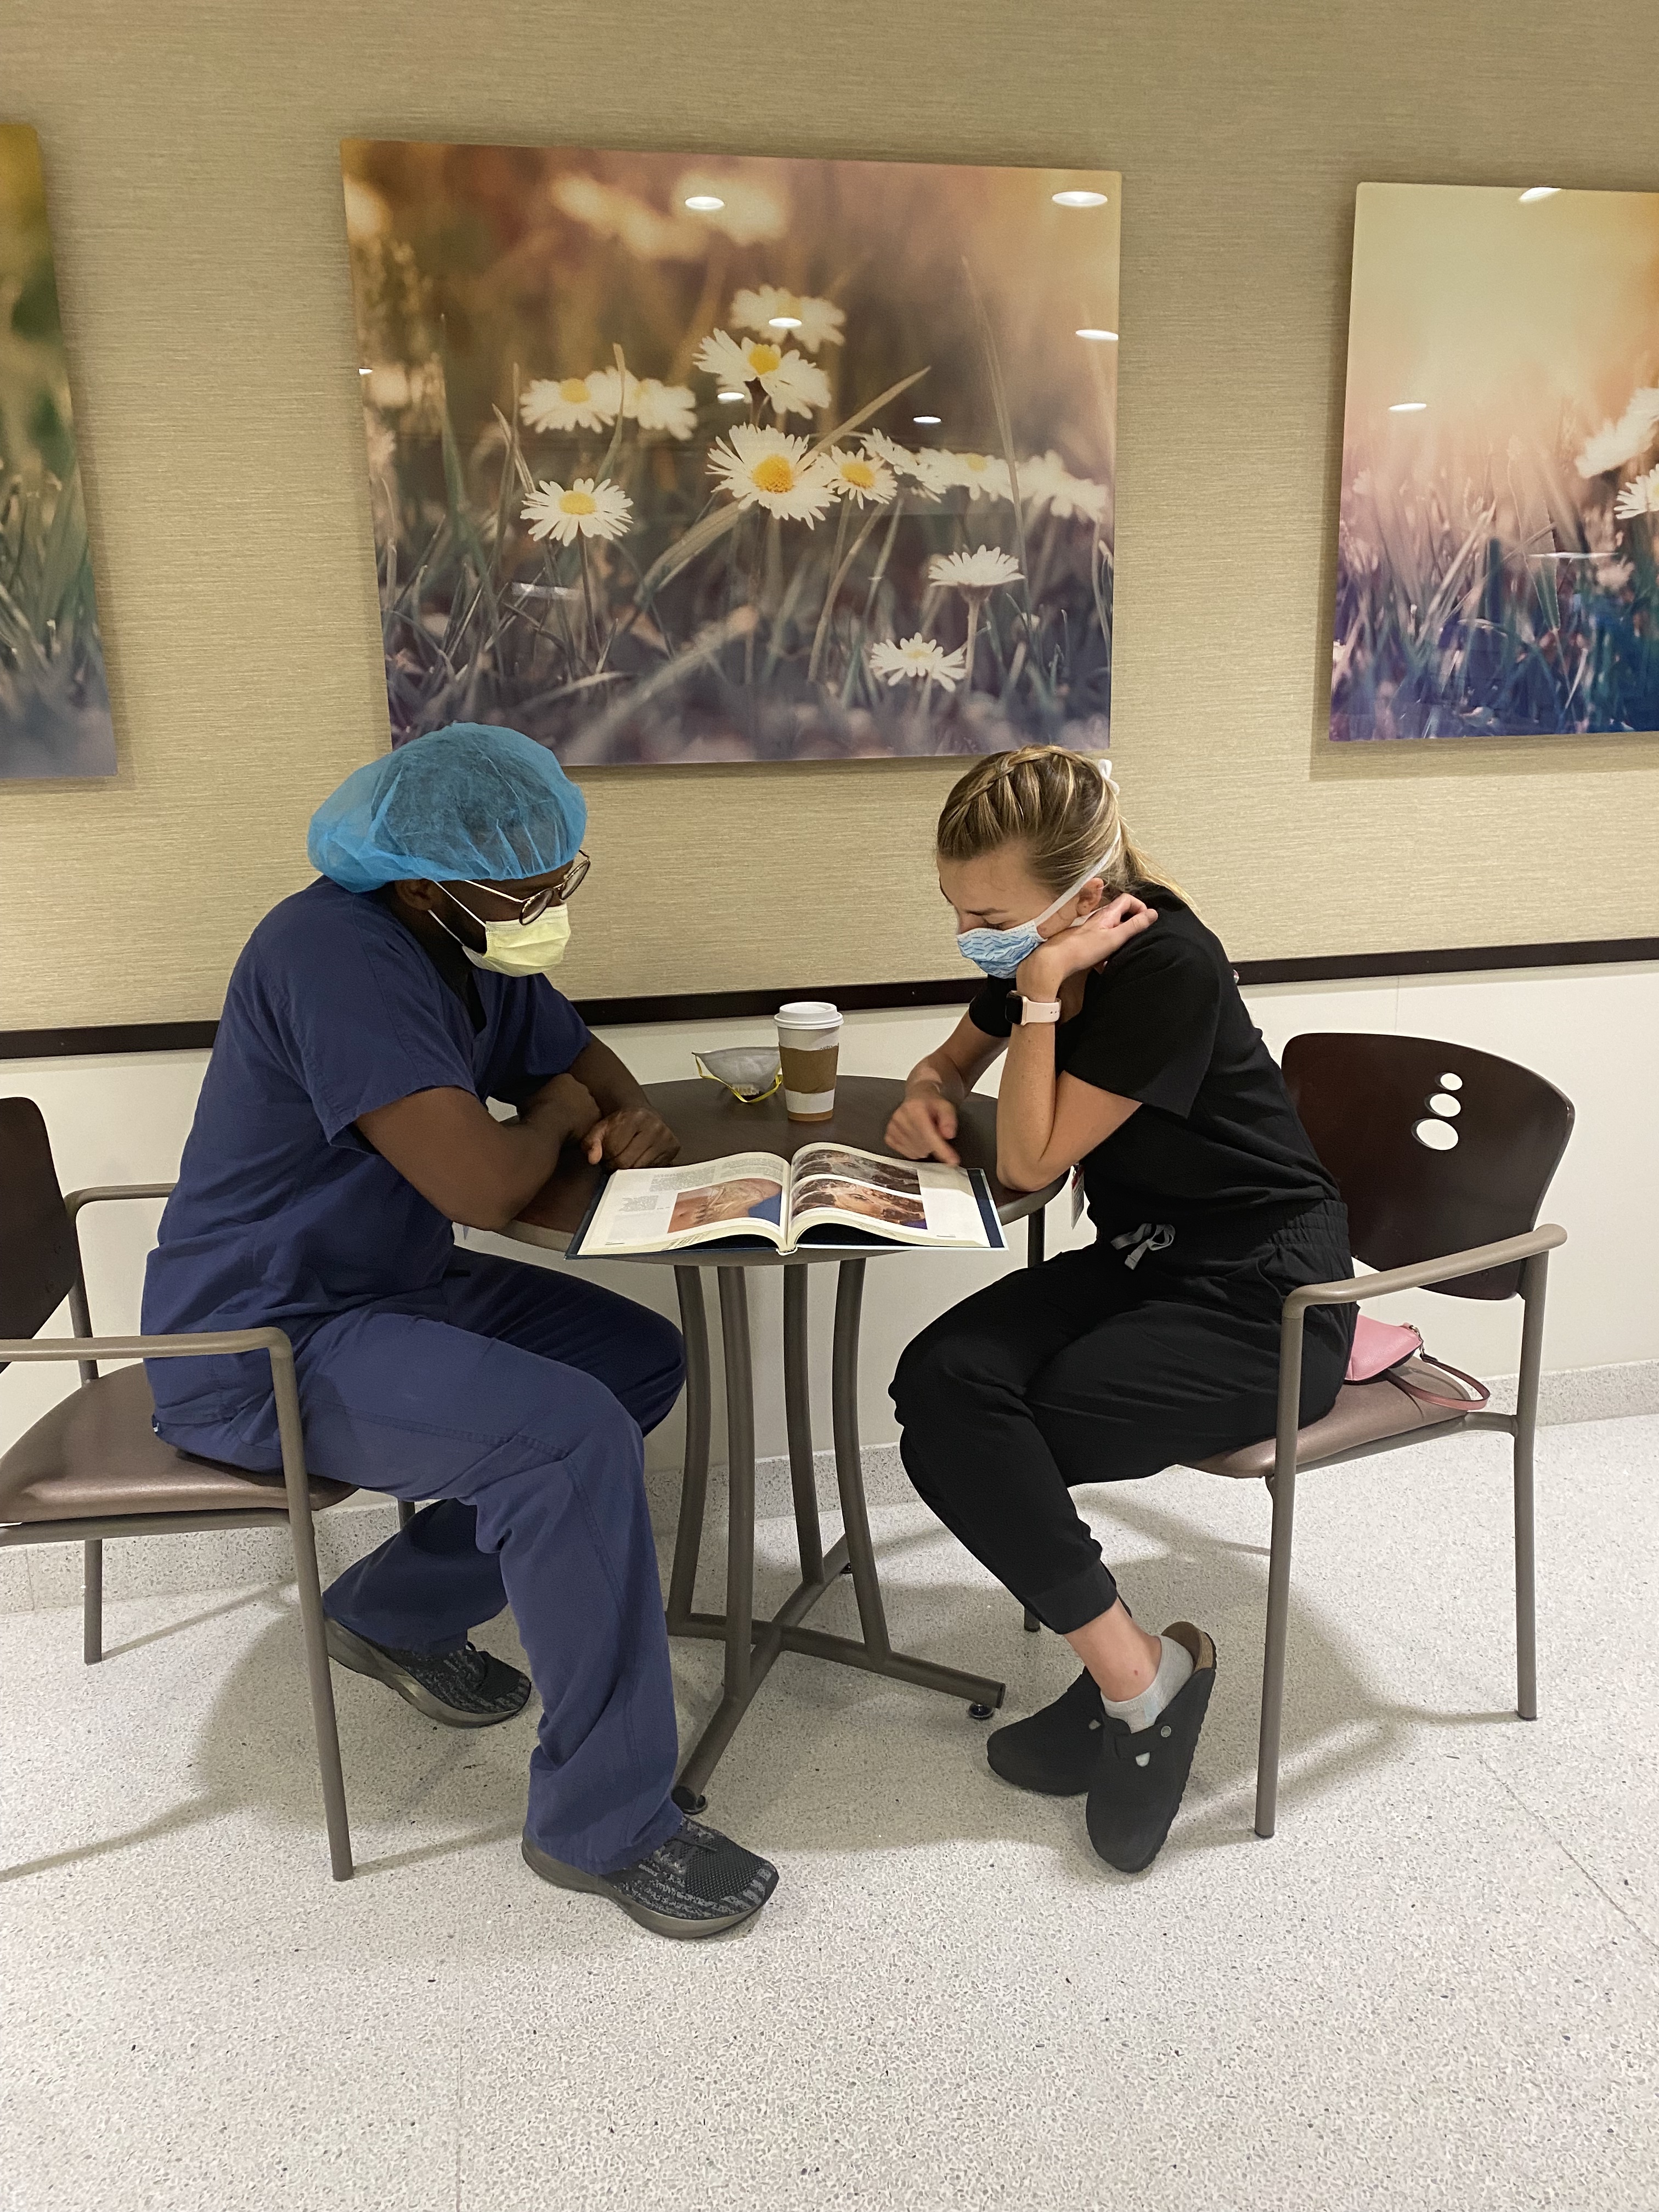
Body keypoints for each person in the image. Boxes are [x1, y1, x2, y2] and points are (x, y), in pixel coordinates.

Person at [141, 723, 777, 1938]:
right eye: (528, 886)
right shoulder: (333, 951)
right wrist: (558, 1110)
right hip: (259, 1340)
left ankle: (389, 1610)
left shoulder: (473, 937)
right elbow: (485, 1188)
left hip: (389, 1289)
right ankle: (606, 1825)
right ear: (428, 878)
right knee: (564, 1439)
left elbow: (596, 1079)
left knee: (636, 1357)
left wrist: (597, 1110)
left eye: (561, 878)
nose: (548, 904)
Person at [885, 744, 1355, 1874]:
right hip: (1150, 1260)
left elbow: (1036, 1159)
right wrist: (925, 1098)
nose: (973, 938)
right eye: (955, 910)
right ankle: (1141, 1671)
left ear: (1086, 895)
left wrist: (1039, 1000)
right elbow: (944, 1066)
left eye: (989, 915)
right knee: (938, 1381)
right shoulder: (1038, 943)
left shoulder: (1163, 965)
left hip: (1268, 1298)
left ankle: (1131, 1692)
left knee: (987, 1434)